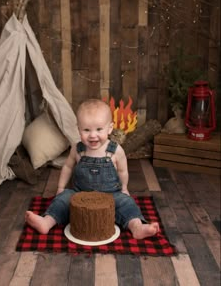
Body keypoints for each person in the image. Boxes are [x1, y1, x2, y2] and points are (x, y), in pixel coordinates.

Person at [25, 99, 160, 240]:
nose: (93, 135)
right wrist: (60, 187)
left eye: (99, 129)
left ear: (110, 128)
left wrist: (124, 188)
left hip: (110, 195)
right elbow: (68, 167)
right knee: (62, 200)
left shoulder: (115, 150)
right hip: (79, 195)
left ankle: (137, 227)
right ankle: (46, 222)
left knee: (127, 203)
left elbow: (122, 171)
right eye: (86, 130)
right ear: (78, 129)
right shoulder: (77, 149)